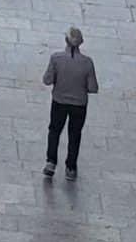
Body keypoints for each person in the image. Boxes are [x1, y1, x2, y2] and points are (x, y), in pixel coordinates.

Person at [41, 25, 98, 181]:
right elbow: (93, 88)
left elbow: (47, 80)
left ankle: (51, 162)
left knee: (54, 130)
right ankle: (71, 168)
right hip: (79, 105)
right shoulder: (87, 63)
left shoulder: (56, 58)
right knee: (74, 134)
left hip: (59, 101)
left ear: (66, 40)